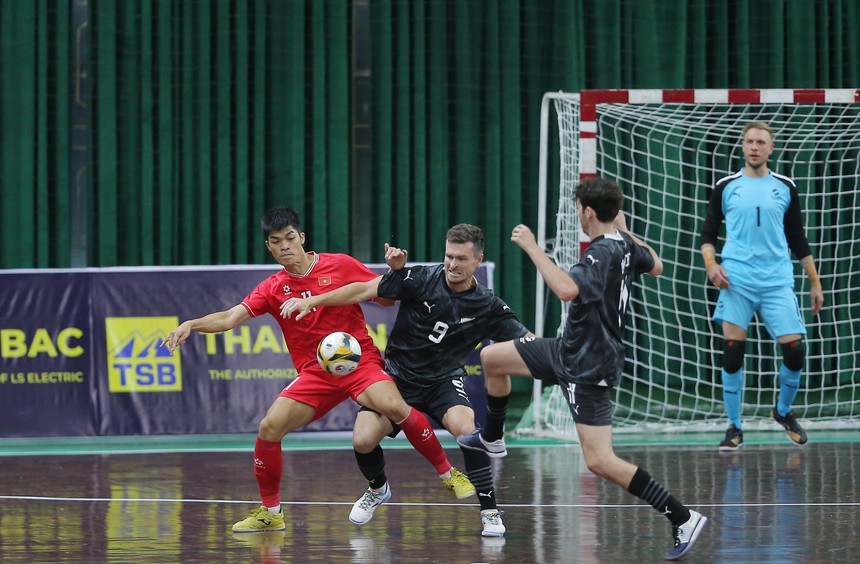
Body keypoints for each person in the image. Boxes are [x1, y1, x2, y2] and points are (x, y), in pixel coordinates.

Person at [161, 206, 473, 533]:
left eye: (290, 238)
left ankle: (449, 474)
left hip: (358, 361)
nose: (284, 246)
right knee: (269, 427)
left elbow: (385, 299)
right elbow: (229, 318)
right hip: (315, 374)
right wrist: (191, 324)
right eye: (276, 241)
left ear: (302, 238)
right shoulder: (272, 287)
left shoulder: (339, 264)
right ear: (269, 246)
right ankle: (271, 512)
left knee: (395, 406)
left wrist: (396, 271)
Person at [457, 177, 708, 561]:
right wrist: (623, 228)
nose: (577, 213)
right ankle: (493, 437)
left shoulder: (599, 253)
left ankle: (681, 515)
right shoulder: (624, 243)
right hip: (566, 349)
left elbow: (566, 290)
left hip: (586, 366)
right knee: (492, 359)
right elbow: (655, 265)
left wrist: (532, 248)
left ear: (588, 212)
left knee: (599, 460)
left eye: (578, 208)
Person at [281, 224, 531, 537]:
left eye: (461, 259)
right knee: (362, 439)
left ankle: (490, 510)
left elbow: (527, 342)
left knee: (467, 431)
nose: (453, 264)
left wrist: (555, 354)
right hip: (397, 378)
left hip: (443, 382)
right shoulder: (421, 278)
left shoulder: (488, 305)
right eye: (449, 256)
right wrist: (312, 301)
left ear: (477, 261)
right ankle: (377, 488)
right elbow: (363, 289)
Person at [700, 121, 824, 451]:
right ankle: (734, 427)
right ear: (742, 147)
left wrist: (815, 282)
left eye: (761, 142)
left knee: (795, 350)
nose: (754, 147)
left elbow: (798, 238)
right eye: (749, 141)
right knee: (732, 352)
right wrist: (712, 266)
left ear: (771, 148)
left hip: (776, 281)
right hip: (736, 280)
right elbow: (708, 236)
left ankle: (782, 411)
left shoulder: (785, 186)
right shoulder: (726, 186)